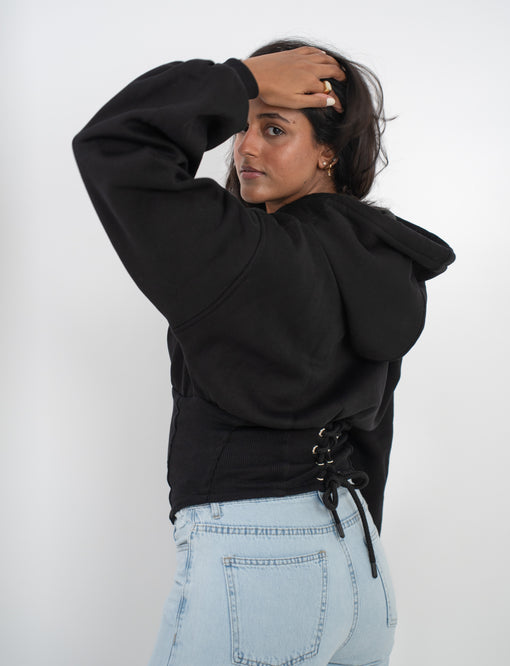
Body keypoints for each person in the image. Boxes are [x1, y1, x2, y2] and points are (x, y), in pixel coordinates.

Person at [72, 38, 455, 666]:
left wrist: (241, 78)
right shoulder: (384, 260)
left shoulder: (250, 255)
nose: (245, 147)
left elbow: (116, 144)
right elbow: (371, 431)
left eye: (273, 128)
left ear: (328, 150)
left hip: (258, 560)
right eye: (242, 127)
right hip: (359, 563)